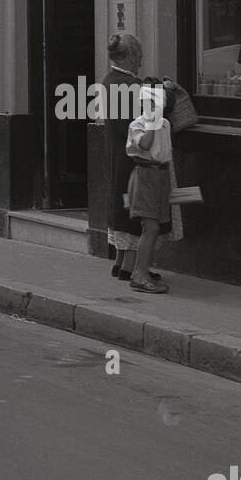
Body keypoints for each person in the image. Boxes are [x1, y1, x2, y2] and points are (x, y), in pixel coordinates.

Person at [97, 32, 180, 286]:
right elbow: (154, 112)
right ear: (130, 56)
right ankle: (133, 268)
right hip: (137, 160)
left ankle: (121, 263)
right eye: (140, 56)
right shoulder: (132, 86)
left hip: (117, 153)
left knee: (122, 206)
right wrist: (166, 92)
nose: (142, 61)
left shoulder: (108, 80)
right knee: (138, 212)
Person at [124, 84, 173, 294]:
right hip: (145, 176)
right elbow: (145, 144)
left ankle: (142, 271)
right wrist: (152, 120)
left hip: (161, 176)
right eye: (151, 102)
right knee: (150, 227)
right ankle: (139, 274)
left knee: (155, 228)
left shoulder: (165, 124)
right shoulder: (138, 125)